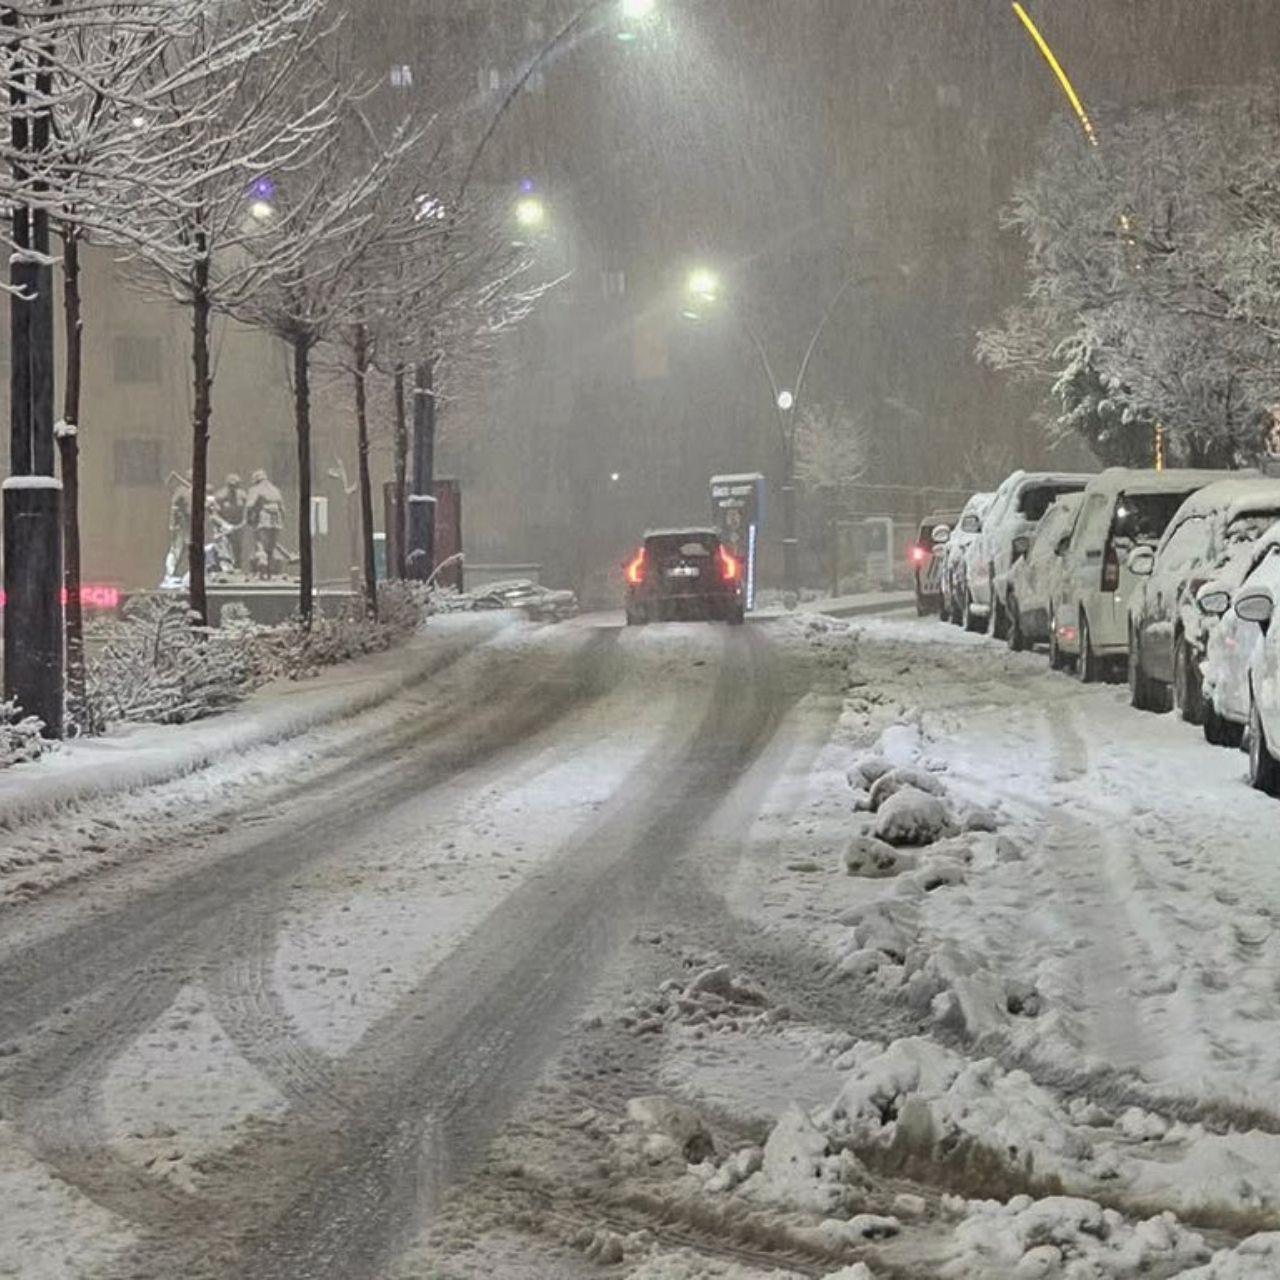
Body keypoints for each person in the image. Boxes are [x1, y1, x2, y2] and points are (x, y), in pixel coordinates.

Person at [245, 469, 286, 578]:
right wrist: (281, 522)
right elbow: (283, 508)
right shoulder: (275, 490)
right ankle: (269, 572)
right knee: (271, 547)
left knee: (260, 544)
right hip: (277, 520)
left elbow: (249, 505)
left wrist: (249, 519)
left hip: (264, 519)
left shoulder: (255, 489)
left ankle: (262, 564)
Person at [163, 473, 192, 584]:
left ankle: (189, 574)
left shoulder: (194, 490)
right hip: (181, 525)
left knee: (192, 550)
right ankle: (169, 575)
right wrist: (173, 524)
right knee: (176, 550)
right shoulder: (181, 490)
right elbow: (174, 507)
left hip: (191, 526)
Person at [214, 473, 248, 571]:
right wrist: (224, 524)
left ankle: (238, 568)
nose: (233, 488)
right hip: (224, 526)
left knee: (237, 549)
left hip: (238, 526)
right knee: (224, 547)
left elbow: (247, 509)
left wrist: (244, 521)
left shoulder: (242, 495)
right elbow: (214, 515)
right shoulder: (220, 496)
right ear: (227, 485)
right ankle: (225, 569)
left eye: (235, 486)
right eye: (231, 486)